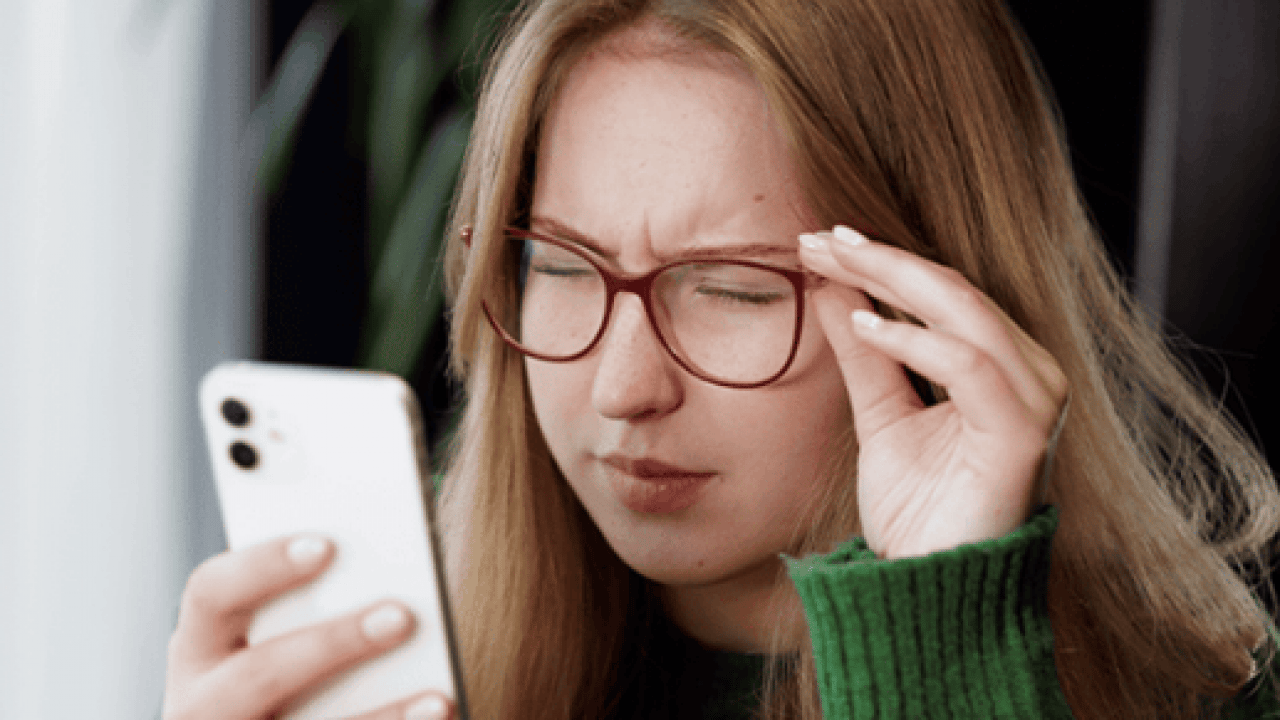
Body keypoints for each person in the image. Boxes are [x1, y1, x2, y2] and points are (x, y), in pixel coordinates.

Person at [163, 0, 1280, 718]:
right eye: (563, 268)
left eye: (735, 290)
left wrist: (943, 629)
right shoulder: (417, 672)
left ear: (937, 307)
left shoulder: (1194, 701)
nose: (622, 389)